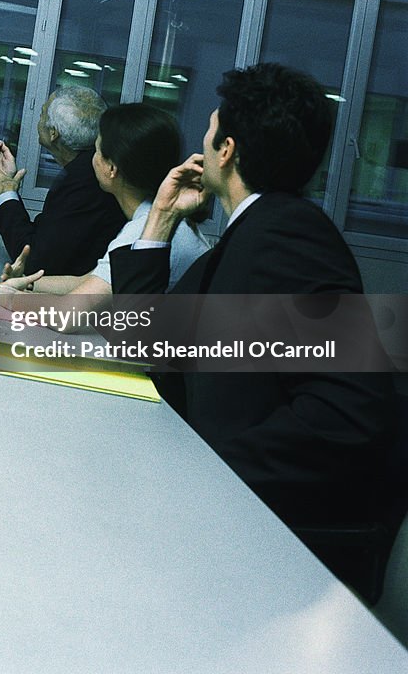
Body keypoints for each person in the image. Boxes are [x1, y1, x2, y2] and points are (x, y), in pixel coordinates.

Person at [110, 63, 395, 599]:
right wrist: (162, 220)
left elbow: (349, 412)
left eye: (211, 128)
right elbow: (143, 339)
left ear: (226, 151)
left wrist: (208, 473)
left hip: (277, 545)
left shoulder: (289, 236)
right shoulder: (255, 232)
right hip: (236, 522)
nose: (202, 140)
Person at [0, 103, 209, 305]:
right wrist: (28, 284)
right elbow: (91, 281)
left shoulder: (143, 232)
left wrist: (11, 298)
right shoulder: (153, 220)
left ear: (111, 168)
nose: (92, 159)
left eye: (97, 151)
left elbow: (69, 316)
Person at [0, 85, 122, 278]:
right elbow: (44, 239)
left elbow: (35, 261)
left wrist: (5, 194)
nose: (38, 120)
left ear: (53, 133)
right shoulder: (82, 171)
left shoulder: (83, 178)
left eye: (41, 114)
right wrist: (6, 187)